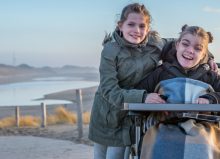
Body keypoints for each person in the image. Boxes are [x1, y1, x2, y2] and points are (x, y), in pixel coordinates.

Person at [88, 3, 217, 159]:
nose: (136, 30)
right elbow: (109, 90)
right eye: (131, 24)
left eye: (142, 26)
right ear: (120, 26)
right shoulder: (110, 50)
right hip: (109, 111)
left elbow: (191, 40)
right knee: (100, 154)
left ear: (148, 29)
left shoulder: (155, 43)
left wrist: (208, 57)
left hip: (131, 113)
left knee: (116, 155)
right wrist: (144, 98)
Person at [136, 24, 220, 159]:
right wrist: (146, 96)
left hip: (202, 128)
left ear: (204, 53)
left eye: (198, 48)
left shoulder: (210, 76)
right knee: (155, 141)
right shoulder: (161, 72)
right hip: (164, 125)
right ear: (177, 45)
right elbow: (138, 91)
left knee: (207, 144)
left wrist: (211, 98)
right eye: (185, 44)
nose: (190, 50)